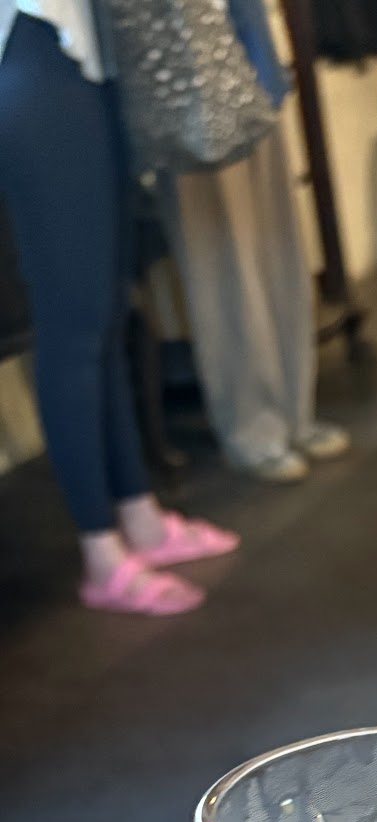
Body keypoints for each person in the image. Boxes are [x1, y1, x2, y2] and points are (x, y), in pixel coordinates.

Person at [0, 0, 238, 614]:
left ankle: (141, 517)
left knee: (106, 310)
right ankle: (101, 555)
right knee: (73, 322)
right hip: (33, 49)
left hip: (86, 56)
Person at [159, 0, 350, 485]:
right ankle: (252, 429)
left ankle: (294, 412)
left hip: (248, 48)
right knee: (225, 259)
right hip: (182, 68)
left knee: (277, 245)